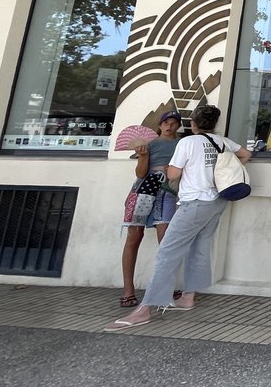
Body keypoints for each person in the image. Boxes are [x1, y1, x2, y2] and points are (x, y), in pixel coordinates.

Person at [104, 104, 250, 331]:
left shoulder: (187, 142)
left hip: (194, 202)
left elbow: (173, 174)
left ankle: (145, 309)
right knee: (200, 247)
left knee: (167, 253)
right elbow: (246, 154)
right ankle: (188, 296)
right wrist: (220, 171)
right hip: (217, 201)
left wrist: (174, 167)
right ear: (214, 124)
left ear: (193, 124)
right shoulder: (222, 142)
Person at [119, 110, 182, 307]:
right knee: (133, 237)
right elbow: (140, 173)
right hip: (143, 191)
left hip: (168, 191)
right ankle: (128, 290)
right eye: (166, 122)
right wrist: (144, 156)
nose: (169, 126)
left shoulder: (182, 145)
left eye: (173, 123)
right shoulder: (150, 144)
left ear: (178, 126)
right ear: (160, 124)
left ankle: (164, 287)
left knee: (166, 241)